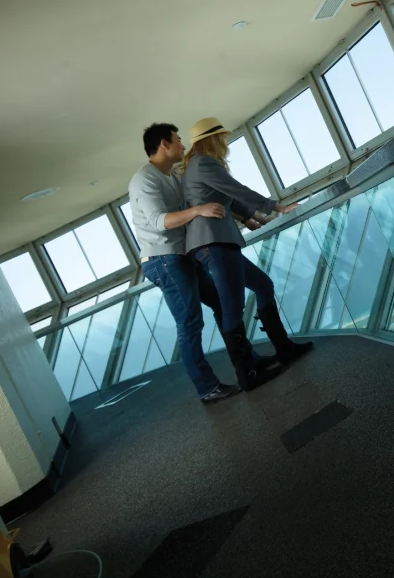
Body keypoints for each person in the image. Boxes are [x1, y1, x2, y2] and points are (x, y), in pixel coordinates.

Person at [128, 123, 275, 405]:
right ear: (163, 145)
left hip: (182, 255)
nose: (183, 145)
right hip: (163, 259)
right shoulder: (143, 180)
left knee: (222, 305)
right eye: (178, 140)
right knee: (190, 324)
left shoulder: (172, 175)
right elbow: (160, 221)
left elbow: (212, 197)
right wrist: (197, 210)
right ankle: (207, 388)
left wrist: (243, 217)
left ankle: (249, 359)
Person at [180, 117, 313, 392]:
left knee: (263, 285)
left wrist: (256, 218)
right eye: (223, 136)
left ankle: (283, 347)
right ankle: (247, 374)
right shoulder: (203, 163)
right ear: (211, 139)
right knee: (232, 307)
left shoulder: (196, 166)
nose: (226, 142)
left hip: (218, 242)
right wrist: (276, 207)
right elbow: (236, 189)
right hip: (214, 242)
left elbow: (231, 199)